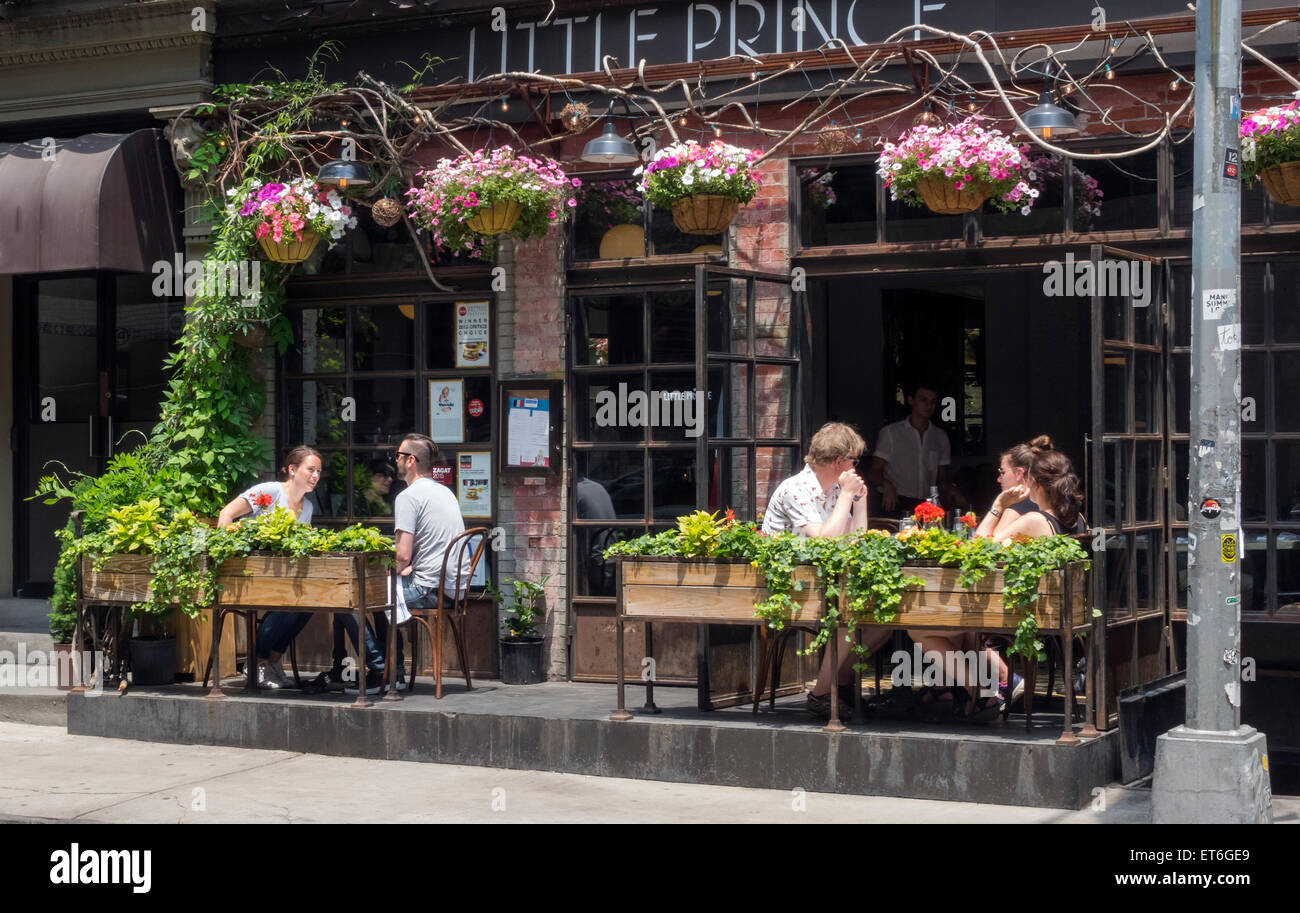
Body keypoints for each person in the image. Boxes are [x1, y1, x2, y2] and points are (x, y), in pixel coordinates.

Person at [761, 422, 890, 719]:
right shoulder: (796, 489)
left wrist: (860, 502)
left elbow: (854, 542)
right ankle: (821, 693)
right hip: (786, 588)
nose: (857, 468)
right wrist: (846, 495)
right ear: (839, 462)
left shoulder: (834, 490)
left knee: (884, 618)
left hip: (821, 583)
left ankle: (836, 685)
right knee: (847, 614)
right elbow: (824, 542)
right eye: (854, 461)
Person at [216, 445, 322, 689]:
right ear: (293, 470)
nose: (315, 475)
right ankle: (256, 665)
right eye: (310, 469)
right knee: (287, 602)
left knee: (310, 603)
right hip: (249, 574)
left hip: (279, 579)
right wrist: (225, 552)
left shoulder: (307, 508)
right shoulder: (270, 492)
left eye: (318, 471)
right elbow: (227, 514)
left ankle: (273, 663)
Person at [867, 381, 963, 518]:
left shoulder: (940, 437)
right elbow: (874, 471)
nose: (928, 406)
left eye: (932, 402)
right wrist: (886, 484)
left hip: (927, 505)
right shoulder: (891, 433)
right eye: (923, 400)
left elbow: (941, 478)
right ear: (911, 400)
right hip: (896, 501)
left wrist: (952, 490)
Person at [973, 435, 1055, 540]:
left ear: (1019, 473)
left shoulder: (1017, 509)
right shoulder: (1052, 504)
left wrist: (997, 507)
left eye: (1002, 472)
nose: (998, 479)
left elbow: (980, 546)